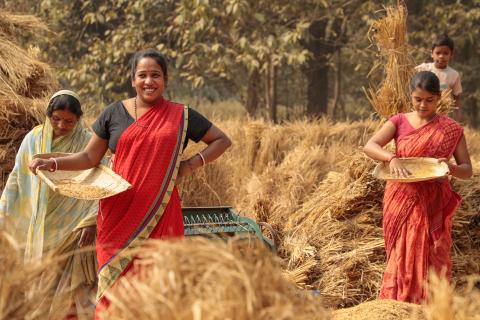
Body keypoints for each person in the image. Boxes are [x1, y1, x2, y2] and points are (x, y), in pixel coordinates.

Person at [28, 48, 232, 317]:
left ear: (166, 80)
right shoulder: (113, 113)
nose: (149, 81)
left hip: (160, 213)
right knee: (115, 290)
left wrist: (190, 166)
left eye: (155, 75)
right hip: (116, 214)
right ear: (133, 79)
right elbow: (89, 156)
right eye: (142, 75)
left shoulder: (181, 116)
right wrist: (53, 163)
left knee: (159, 285)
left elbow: (221, 140)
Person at [363, 71, 472, 303]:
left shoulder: (451, 129)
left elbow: (467, 170)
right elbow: (370, 145)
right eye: (418, 99)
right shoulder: (398, 121)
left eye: (429, 100)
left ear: (439, 98)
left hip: (434, 202)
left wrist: (450, 169)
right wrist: (391, 158)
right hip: (401, 199)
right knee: (403, 253)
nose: (423, 105)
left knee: (434, 255)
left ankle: (433, 307)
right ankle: (399, 305)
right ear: (410, 96)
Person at [0, 90, 98, 318]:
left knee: (74, 290)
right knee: (39, 289)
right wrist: (4, 216)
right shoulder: (33, 139)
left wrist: (90, 220)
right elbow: (17, 179)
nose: (62, 125)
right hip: (40, 229)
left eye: (69, 121)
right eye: (56, 119)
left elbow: (100, 182)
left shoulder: (88, 143)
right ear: (48, 115)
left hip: (74, 229)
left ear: (79, 119)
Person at [415, 35, 462, 121]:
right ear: (432, 54)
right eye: (438, 53)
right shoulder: (423, 68)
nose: (441, 56)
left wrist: (458, 117)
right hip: (422, 112)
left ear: (451, 55)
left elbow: (457, 97)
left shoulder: (454, 75)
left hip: (441, 116)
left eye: (445, 53)